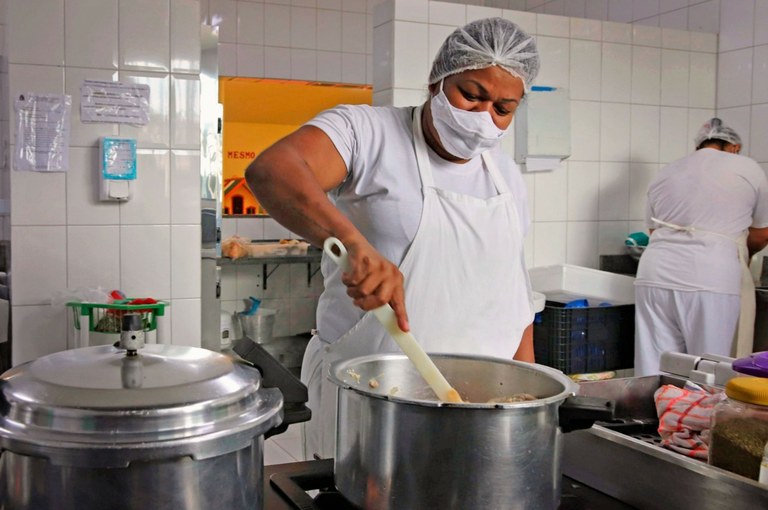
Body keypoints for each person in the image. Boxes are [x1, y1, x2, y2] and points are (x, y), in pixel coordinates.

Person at [245, 17, 539, 459]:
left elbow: (514, 298)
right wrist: (355, 246)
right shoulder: (369, 132)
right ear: (437, 80)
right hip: (371, 394)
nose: (484, 118)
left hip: (479, 404)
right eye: (471, 95)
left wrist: (529, 393)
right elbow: (273, 171)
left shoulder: (505, 176)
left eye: (503, 108)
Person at [634, 118, 768, 376]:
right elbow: (762, 234)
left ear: (699, 146)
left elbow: (653, 231)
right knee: (709, 369)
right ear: (734, 147)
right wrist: (742, 256)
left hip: (654, 274)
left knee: (656, 369)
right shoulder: (748, 167)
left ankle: (655, 414)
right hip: (711, 276)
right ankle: (701, 416)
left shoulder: (669, 170)